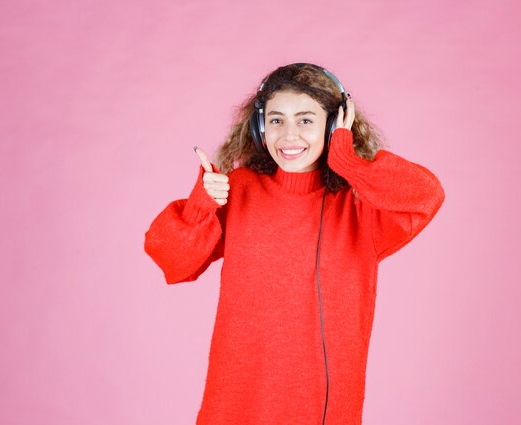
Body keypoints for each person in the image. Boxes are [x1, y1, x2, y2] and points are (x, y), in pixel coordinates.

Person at [144, 63, 445, 425]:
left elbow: (426, 195)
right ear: (259, 128)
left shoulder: (360, 207)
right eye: (276, 120)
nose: (288, 136)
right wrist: (199, 207)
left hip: (322, 402)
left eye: (305, 120)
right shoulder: (239, 189)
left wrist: (349, 161)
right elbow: (173, 261)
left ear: (334, 126)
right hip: (238, 395)